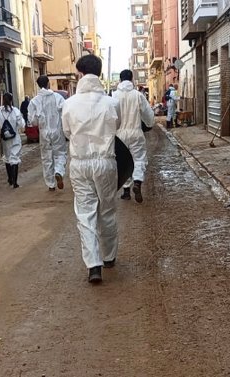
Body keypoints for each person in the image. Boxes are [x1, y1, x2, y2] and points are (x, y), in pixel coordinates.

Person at [62, 54, 121, 283]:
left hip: (79, 162)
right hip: (106, 160)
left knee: (85, 213)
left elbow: (67, 132)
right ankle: (109, 256)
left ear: (79, 74)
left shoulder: (69, 104)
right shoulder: (111, 102)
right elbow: (117, 126)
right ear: (100, 73)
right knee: (106, 210)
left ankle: (93, 265)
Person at [112, 69, 154, 203]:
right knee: (139, 159)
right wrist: (149, 124)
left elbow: (111, 117)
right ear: (131, 80)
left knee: (124, 162)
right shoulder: (138, 95)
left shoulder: (114, 96)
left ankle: (126, 191)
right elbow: (148, 113)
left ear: (119, 80)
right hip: (135, 132)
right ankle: (137, 182)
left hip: (119, 135)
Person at [28, 75, 67, 191]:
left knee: (46, 158)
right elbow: (65, 112)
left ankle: (50, 184)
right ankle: (59, 171)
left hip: (44, 132)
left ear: (38, 85)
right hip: (57, 130)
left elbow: (33, 121)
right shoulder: (57, 97)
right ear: (48, 83)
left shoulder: (34, 101)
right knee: (60, 153)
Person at [0, 92, 25, 187]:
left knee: (7, 158)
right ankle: (15, 182)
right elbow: (21, 125)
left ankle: (10, 179)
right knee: (14, 158)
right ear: (12, 100)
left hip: (5, 139)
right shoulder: (15, 111)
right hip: (15, 137)